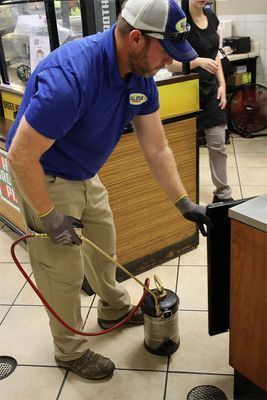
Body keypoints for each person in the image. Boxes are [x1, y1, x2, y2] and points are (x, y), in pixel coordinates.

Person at [6, 0, 211, 381]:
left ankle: (113, 309)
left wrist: (184, 203)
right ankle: (70, 352)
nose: (169, 62)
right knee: (61, 269)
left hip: (85, 173)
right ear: (135, 38)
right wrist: (50, 217)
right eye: (165, 51)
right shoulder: (72, 77)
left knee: (104, 245)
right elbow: (20, 157)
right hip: (44, 174)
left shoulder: (140, 78)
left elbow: (157, 146)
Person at [166, 0, 233, 203]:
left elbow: (216, 57)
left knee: (218, 142)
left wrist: (222, 85)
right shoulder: (178, 19)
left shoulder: (212, 17)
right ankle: (182, 195)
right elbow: (170, 65)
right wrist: (195, 62)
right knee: (183, 147)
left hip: (211, 88)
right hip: (186, 89)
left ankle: (223, 194)